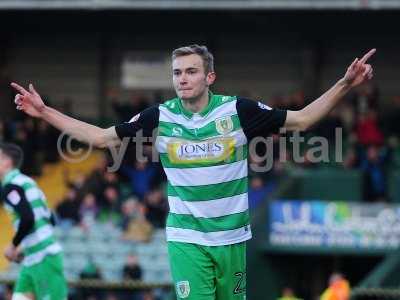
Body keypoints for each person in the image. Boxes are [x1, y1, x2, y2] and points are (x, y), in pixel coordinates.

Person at [11, 44, 375, 299]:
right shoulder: (160, 116)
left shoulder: (238, 111)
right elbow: (101, 136)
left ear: (210, 76)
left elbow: (304, 119)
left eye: (191, 71)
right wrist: (45, 112)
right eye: (177, 73)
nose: (182, 79)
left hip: (232, 238)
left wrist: (344, 83)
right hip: (187, 237)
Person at [0, 142, 67, 300]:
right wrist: (25, 248)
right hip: (32, 258)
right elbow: (49, 219)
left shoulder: (11, 186)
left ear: (6, 161)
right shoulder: (28, 182)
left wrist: (13, 245)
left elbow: (28, 218)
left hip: (43, 258)